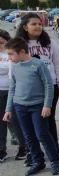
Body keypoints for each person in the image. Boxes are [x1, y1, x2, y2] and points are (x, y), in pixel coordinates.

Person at [3, 37, 59, 176]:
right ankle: (37, 161)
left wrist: (47, 105)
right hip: (20, 106)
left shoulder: (38, 64)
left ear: (22, 51)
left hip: (37, 106)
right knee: (28, 136)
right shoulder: (15, 67)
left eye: (11, 54)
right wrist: (8, 109)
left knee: (42, 134)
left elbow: (48, 86)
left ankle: (55, 161)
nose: (9, 58)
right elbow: (12, 88)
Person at [16, 13, 59, 160]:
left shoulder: (50, 42)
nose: (38, 26)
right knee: (31, 123)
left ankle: (55, 150)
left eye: (40, 23)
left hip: (50, 86)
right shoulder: (20, 44)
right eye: (34, 24)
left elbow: (58, 64)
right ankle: (34, 154)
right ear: (25, 27)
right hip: (29, 89)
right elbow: (14, 67)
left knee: (49, 119)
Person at [0, 29, 26, 162]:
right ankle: (1, 150)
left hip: (12, 90)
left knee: (16, 122)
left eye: (1, 42)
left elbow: (13, 67)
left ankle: (23, 147)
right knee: (1, 123)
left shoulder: (11, 53)